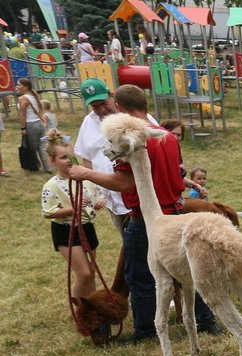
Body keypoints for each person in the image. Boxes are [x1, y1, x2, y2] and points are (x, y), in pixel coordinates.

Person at [68, 84, 222, 342]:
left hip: (147, 217)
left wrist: (85, 173)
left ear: (120, 108)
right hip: (176, 210)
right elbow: (176, 173)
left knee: (138, 276)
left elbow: (125, 183)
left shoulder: (131, 141)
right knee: (187, 270)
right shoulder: (167, 136)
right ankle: (206, 320)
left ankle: (146, 331)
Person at [74, 78, 157, 235]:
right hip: (112, 199)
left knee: (144, 242)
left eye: (104, 103)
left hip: (138, 197)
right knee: (127, 239)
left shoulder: (133, 117)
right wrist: (96, 191)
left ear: (111, 95)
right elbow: (87, 158)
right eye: (95, 106)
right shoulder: (88, 122)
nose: (102, 109)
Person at [41, 130, 108, 300]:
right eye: (63, 157)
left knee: (92, 271)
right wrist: (73, 209)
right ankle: (79, 309)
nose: (69, 160)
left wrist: (101, 200)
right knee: (84, 273)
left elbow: (98, 192)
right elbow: (48, 212)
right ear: (52, 161)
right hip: (66, 231)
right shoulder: (52, 185)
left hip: (86, 227)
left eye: (71, 156)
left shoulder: (84, 177)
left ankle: (91, 306)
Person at [160, 120, 209, 199]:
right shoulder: (159, 153)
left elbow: (176, 177)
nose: (175, 137)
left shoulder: (176, 153)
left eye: (179, 135)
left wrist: (195, 186)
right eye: (172, 133)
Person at [17, 78, 51, 172]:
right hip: (39, 123)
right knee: (42, 147)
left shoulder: (22, 98)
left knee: (32, 147)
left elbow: (23, 114)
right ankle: (47, 167)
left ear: (26, 87)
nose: (18, 87)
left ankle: (34, 166)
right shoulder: (34, 96)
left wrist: (23, 128)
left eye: (19, 85)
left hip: (30, 124)